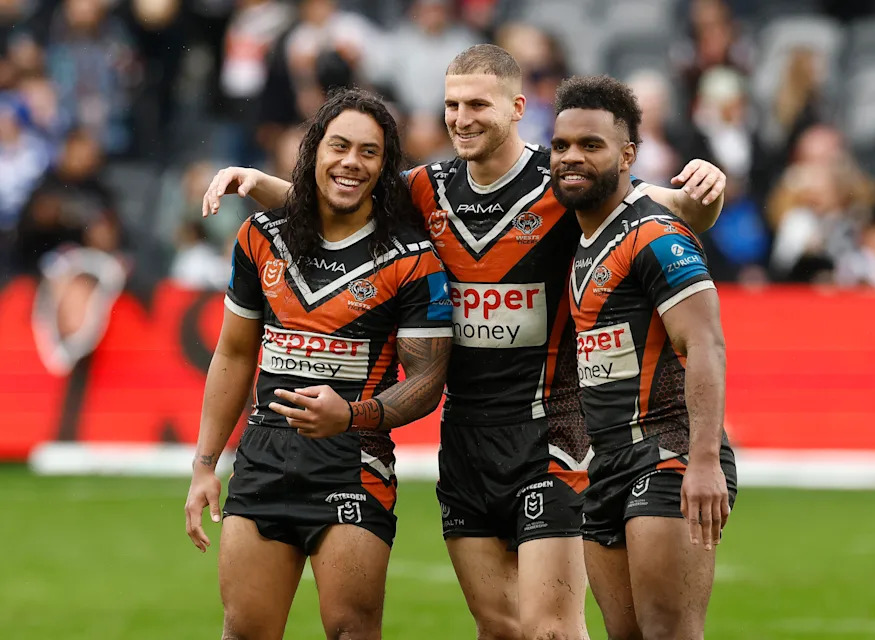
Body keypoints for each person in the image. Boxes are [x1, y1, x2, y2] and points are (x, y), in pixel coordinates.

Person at [201, 45, 727, 640]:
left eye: (478, 104)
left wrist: (708, 190)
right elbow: (340, 198)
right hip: (466, 439)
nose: (461, 118)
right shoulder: (426, 189)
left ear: (517, 108)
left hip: (553, 432)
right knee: (498, 627)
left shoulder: (563, 181)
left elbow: (673, 211)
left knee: (551, 630)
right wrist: (260, 184)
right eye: (452, 105)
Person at [183, 88, 453, 640]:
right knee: (244, 631)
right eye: (339, 146)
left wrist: (349, 416)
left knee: (352, 630)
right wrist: (205, 464)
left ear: (385, 166)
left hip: (353, 465)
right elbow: (234, 353)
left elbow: (428, 381)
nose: (352, 162)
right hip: (262, 461)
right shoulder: (261, 236)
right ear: (314, 151)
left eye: (369, 152)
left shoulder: (411, 259)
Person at [550, 74, 737, 640]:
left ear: (628, 155)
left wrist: (703, 461)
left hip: (667, 454)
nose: (571, 157)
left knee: (669, 633)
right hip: (605, 462)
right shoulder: (584, 237)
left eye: (591, 145)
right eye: (561, 145)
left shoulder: (656, 235)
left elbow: (705, 344)